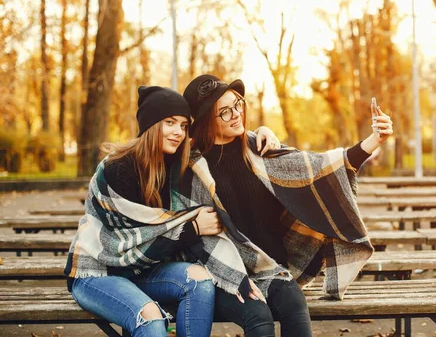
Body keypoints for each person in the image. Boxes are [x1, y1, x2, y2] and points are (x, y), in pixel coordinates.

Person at [179, 74, 393, 337]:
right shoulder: (190, 167)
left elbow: (317, 170)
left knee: (294, 305)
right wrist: (235, 278)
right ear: (203, 122)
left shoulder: (258, 148)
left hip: (273, 268)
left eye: (237, 104)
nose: (236, 114)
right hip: (223, 273)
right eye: (224, 112)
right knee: (259, 318)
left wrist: (373, 141)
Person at [64, 85, 281, 337]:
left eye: (183, 125)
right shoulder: (117, 170)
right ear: (150, 125)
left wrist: (261, 134)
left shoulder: (177, 164)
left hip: (144, 270)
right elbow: (129, 245)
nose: (178, 132)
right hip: (99, 271)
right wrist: (193, 227)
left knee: (200, 280)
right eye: (169, 122)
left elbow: (219, 139)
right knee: (151, 320)